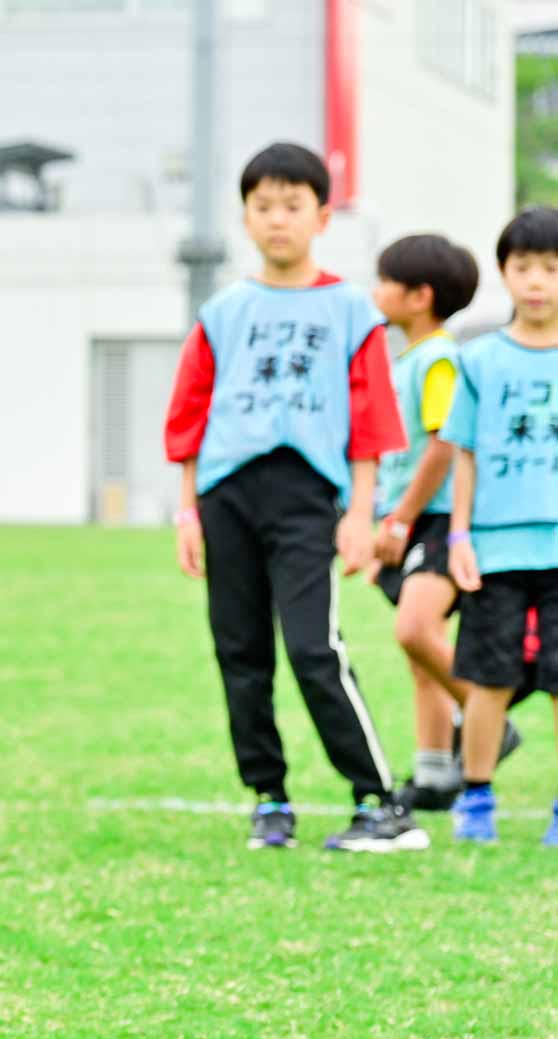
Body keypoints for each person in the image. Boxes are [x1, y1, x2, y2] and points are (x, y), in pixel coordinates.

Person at [166, 141, 421, 852]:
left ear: (321, 216)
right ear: (245, 217)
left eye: (292, 205)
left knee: (314, 648)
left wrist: (360, 514)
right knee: (239, 650)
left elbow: (370, 423)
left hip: (308, 496)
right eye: (263, 206)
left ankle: (378, 799)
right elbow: (190, 417)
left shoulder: (350, 311)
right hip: (226, 495)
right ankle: (269, 796)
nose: (277, 219)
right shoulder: (222, 312)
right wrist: (189, 510)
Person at [367, 234, 523, 810]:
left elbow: (441, 448)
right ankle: (434, 774)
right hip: (413, 518)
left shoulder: (437, 359)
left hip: (435, 520)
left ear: (419, 296)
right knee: (419, 654)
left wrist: (401, 519)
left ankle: (490, 721)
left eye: (385, 280)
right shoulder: (410, 357)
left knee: (414, 629)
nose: (375, 291)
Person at [442, 207, 558, 845]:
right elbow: (465, 454)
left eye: (550, 268)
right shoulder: (479, 360)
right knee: (490, 677)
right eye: (524, 268)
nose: (537, 281)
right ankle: (477, 798)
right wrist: (459, 535)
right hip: (495, 547)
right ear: (504, 274)